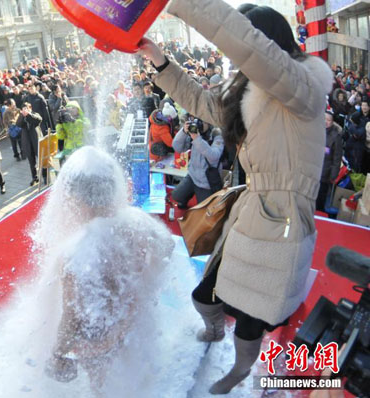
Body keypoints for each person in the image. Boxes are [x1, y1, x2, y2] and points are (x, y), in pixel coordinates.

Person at [139, 0, 333, 394]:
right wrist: (160, 60)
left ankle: (242, 369)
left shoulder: (303, 89)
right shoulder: (251, 93)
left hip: (282, 221)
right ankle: (213, 331)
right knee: (205, 294)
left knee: (253, 317)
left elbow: (248, 46)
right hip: (250, 210)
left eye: (246, 48)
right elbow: (204, 103)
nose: (235, 59)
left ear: (269, 46)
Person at [34, 146, 181, 393]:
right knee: (130, 369)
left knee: (102, 386)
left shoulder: (78, 252)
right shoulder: (138, 221)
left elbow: (72, 317)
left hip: (99, 339)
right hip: (132, 316)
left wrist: (58, 352)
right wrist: (144, 280)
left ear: (77, 200)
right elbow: (167, 247)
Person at [171, 117, 224, 206]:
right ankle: (187, 199)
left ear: (209, 122)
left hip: (207, 181)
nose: (198, 124)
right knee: (176, 196)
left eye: (202, 121)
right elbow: (177, 147)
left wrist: (197, 139)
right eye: (196, 120)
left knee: (203, 210)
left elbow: (214, 156)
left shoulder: (216, 135)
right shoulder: (194, 132)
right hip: (193, 176)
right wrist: (183, 132)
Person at [316, 111, 344, 214]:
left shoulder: (336, 136)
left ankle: (319, 213)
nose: (326, 122)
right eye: (324, 119)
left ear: (332, 122)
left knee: (321, 196)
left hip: (325, 171)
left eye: (329, 120)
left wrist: (333, 175)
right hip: (313, 168)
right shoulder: (316, 129)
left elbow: (337, 158)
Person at [16, 103, 43, 186]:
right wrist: (22, 115)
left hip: (36, 140)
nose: (25, 111)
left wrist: (28, 115)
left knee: (41, 159)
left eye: (26, 108)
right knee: (31, 162)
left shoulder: (35, 114)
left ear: (30, 108)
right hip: (27, 142)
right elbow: (18, 124)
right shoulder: (21, 117)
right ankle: (34, 177)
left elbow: (38, 120)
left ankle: (45, 175)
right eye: (23, 109)